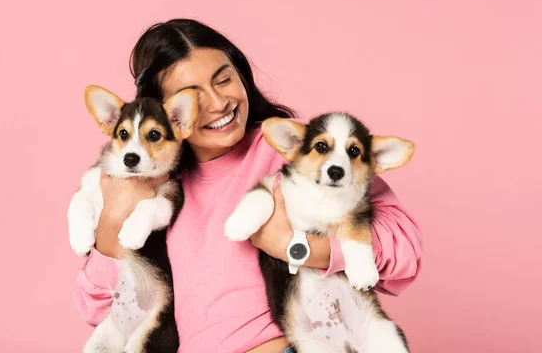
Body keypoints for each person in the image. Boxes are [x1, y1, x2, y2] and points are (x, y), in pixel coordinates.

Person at [73, 18, 423, 353]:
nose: (218, 102)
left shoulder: (304, 148)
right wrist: (109, 229)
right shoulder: (156, 186)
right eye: (193, 95)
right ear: (169, 114)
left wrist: (295, 247)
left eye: (224, 79)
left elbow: (405, 251)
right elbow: (96, 309)